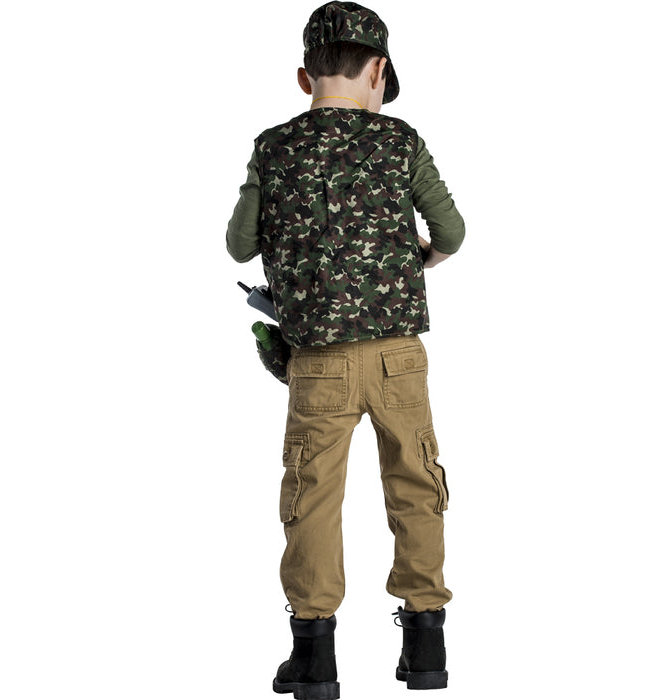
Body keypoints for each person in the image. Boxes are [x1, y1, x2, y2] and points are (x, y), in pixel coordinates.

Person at [226, 3, 465, 697]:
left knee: (312, 496)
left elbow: (239, 246)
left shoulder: (274, 146)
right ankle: (426, 647)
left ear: (305, 77)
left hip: (318, 364)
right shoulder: (400, 140)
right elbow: (452, 230)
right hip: (398, 357)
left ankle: (314, 658)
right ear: (378, 71)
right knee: (416, 485)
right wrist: (425, 255)